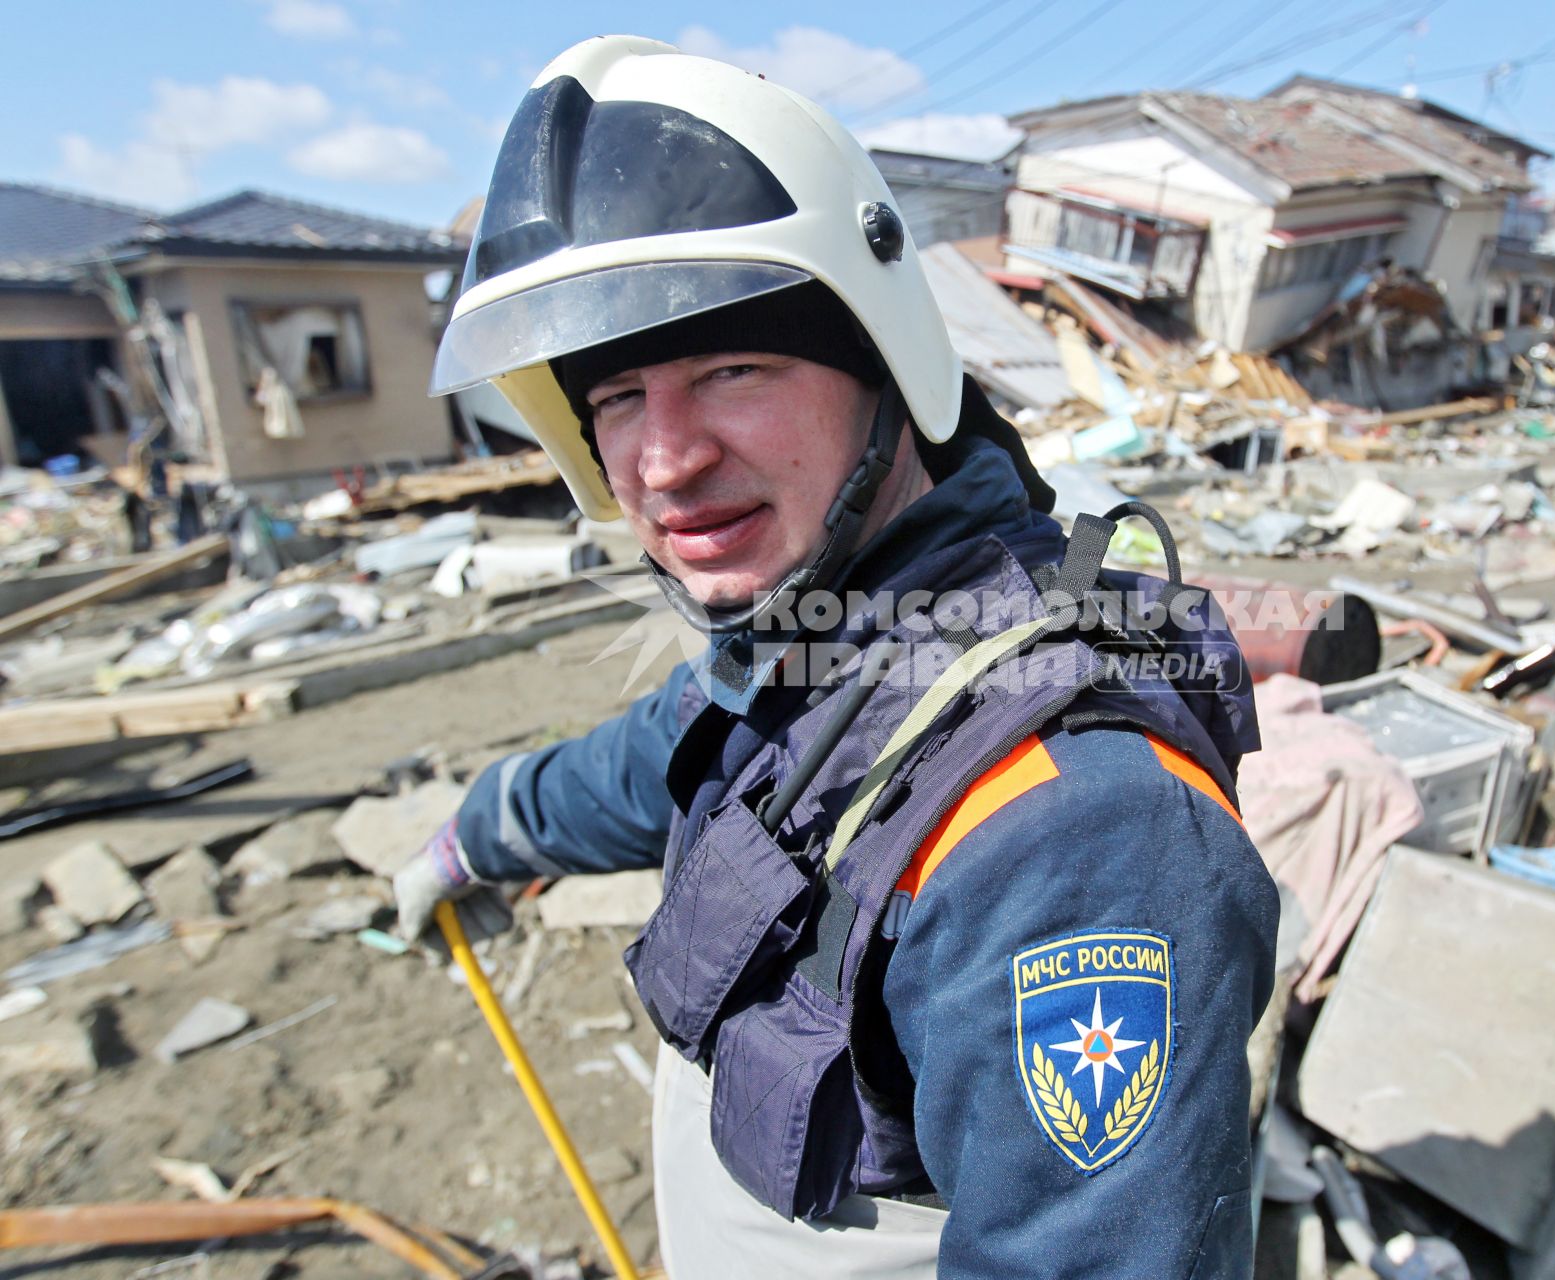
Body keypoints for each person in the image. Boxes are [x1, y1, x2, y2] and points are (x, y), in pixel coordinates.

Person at [393, 36, 1282, 1280]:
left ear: (881, 365)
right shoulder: (825, 637)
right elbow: (670, 748)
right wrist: (479, 829)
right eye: (618, 400)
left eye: (731, 369)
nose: (664, 458)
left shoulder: (1074, 835)